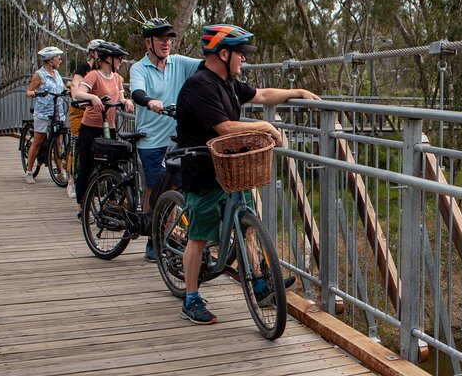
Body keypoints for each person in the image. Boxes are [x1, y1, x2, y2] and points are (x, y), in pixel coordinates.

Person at [176, 24, 320, 324]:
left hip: (231, 168)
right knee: (200, 236)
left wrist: (298, 91)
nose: (243, 59)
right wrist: (266, 127)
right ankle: (190, 298)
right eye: (240, 54)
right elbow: (225, 128)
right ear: (223, 53)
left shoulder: (228, 83)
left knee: (247, 226)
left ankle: (258, 281)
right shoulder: (200, 85)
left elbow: (264, 94)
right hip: (203, 171)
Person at [129, 18, 201, 262]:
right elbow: (136, 92)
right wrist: (149, 101)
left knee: (173, 190)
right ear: (148, 42)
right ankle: (152, 237)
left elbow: (206, 65)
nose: (166, 43)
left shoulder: (178, 63)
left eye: (169, 38)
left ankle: (165, 237)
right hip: (150, 141)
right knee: (154, 187)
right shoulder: (139, 68)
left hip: (176, 141)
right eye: (161, 39)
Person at [72, 41, 134, 216]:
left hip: (110, 127)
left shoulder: (118, 78)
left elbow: (121, 97)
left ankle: (111, 204)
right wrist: (92, 97)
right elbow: (78, 93)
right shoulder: (93, 76)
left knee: (112, 166)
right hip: (90, 127)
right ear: (108, 58)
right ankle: (82, 205)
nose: (121, 61)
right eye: (119, 58)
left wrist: (126, 102)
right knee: (87, 166)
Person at [65, 39, 103, 198]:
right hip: (80, 111)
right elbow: (75, 84)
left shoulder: (104, 70)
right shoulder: (84, 68)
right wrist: (78, 99)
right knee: (77, 143)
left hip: (96, 113)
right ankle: (72, 181)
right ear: (94, 53)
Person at [24, 46, 67, 184]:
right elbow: (29, 91)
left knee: (58, 144)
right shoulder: (39, 74)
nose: (60, 59)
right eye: (57, 57)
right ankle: (29, 172)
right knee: (37, 141)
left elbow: (62, 88)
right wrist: (32, 93)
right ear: (50, 60)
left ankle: (61, 172)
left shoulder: (57, 74)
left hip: (58, 112)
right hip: (43, 112)